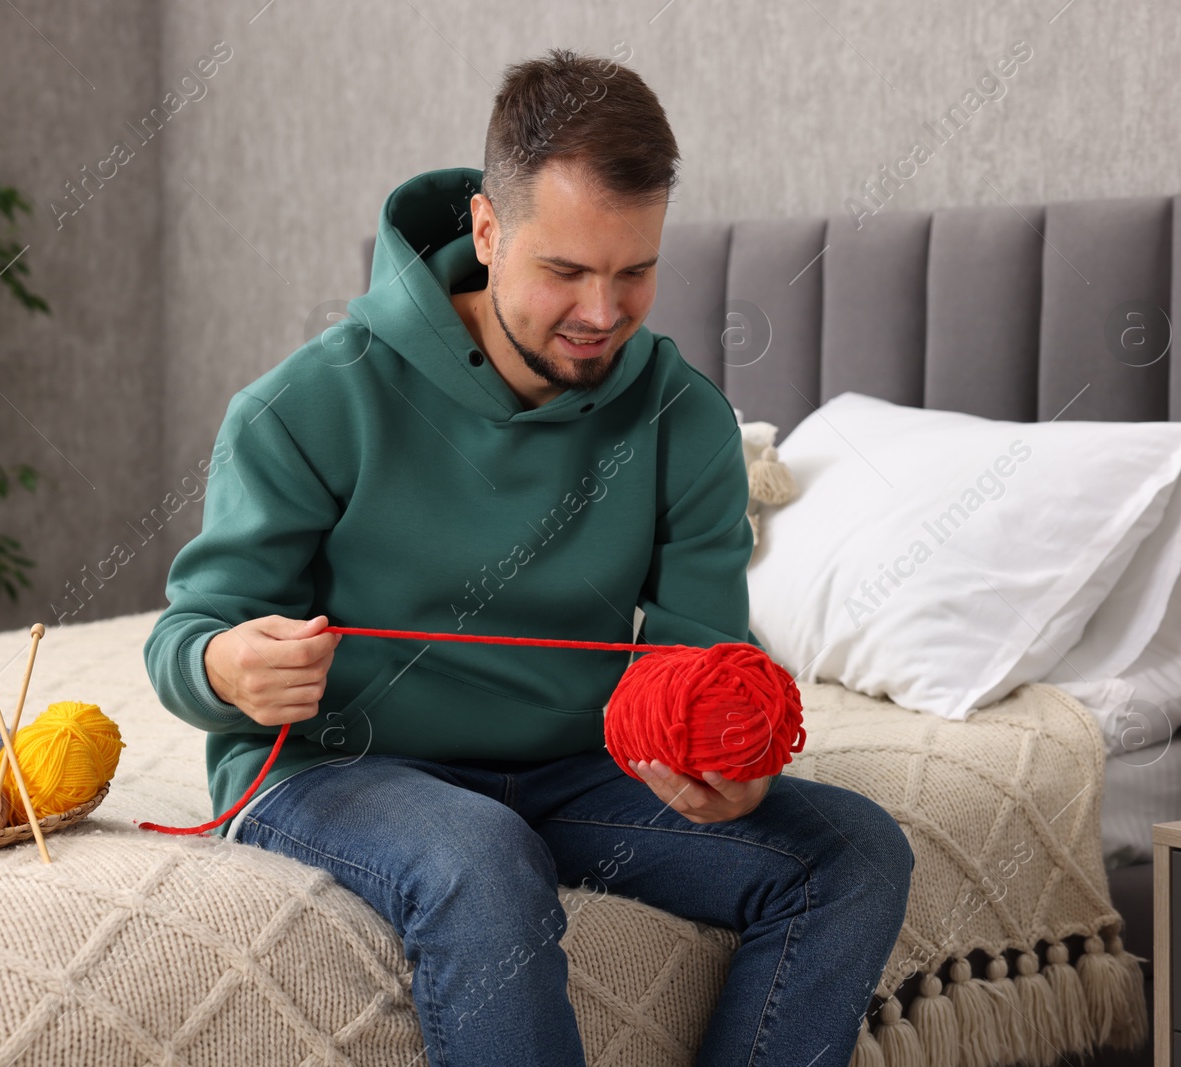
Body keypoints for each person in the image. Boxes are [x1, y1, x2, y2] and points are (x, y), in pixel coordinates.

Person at [144, 46, 912, 1067]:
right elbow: (183, 641)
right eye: (566, 271)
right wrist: (225, 665)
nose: (603, 313)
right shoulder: (307, 404)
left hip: (576, 767)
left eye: (633, 270)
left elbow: (693, 656)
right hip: (340, 766)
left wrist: (720, 761)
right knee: (479, 852)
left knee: (854, 852)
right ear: (488, 230)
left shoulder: (680, 416)